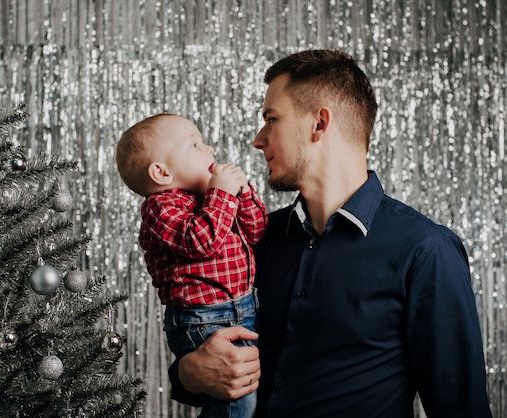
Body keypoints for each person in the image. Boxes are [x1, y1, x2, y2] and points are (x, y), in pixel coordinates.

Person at [168, 50, 493, 417]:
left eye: (271, 119)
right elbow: (208, 364)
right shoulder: (248, 238)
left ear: (319, 124)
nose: (258, 140)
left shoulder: (425, 251)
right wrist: (187, 374)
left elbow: (461, 408)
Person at [116, 113, 268, 417]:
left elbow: (257, 231)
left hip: (244, 308)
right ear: (161, 172)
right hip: (204, 319)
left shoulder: (212, 199)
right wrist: (223, 194)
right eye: (195, 144)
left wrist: (244, 192)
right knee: (237, 399)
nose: (209, 148)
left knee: (245, 390)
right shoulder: (160, 208)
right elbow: (200, 242)